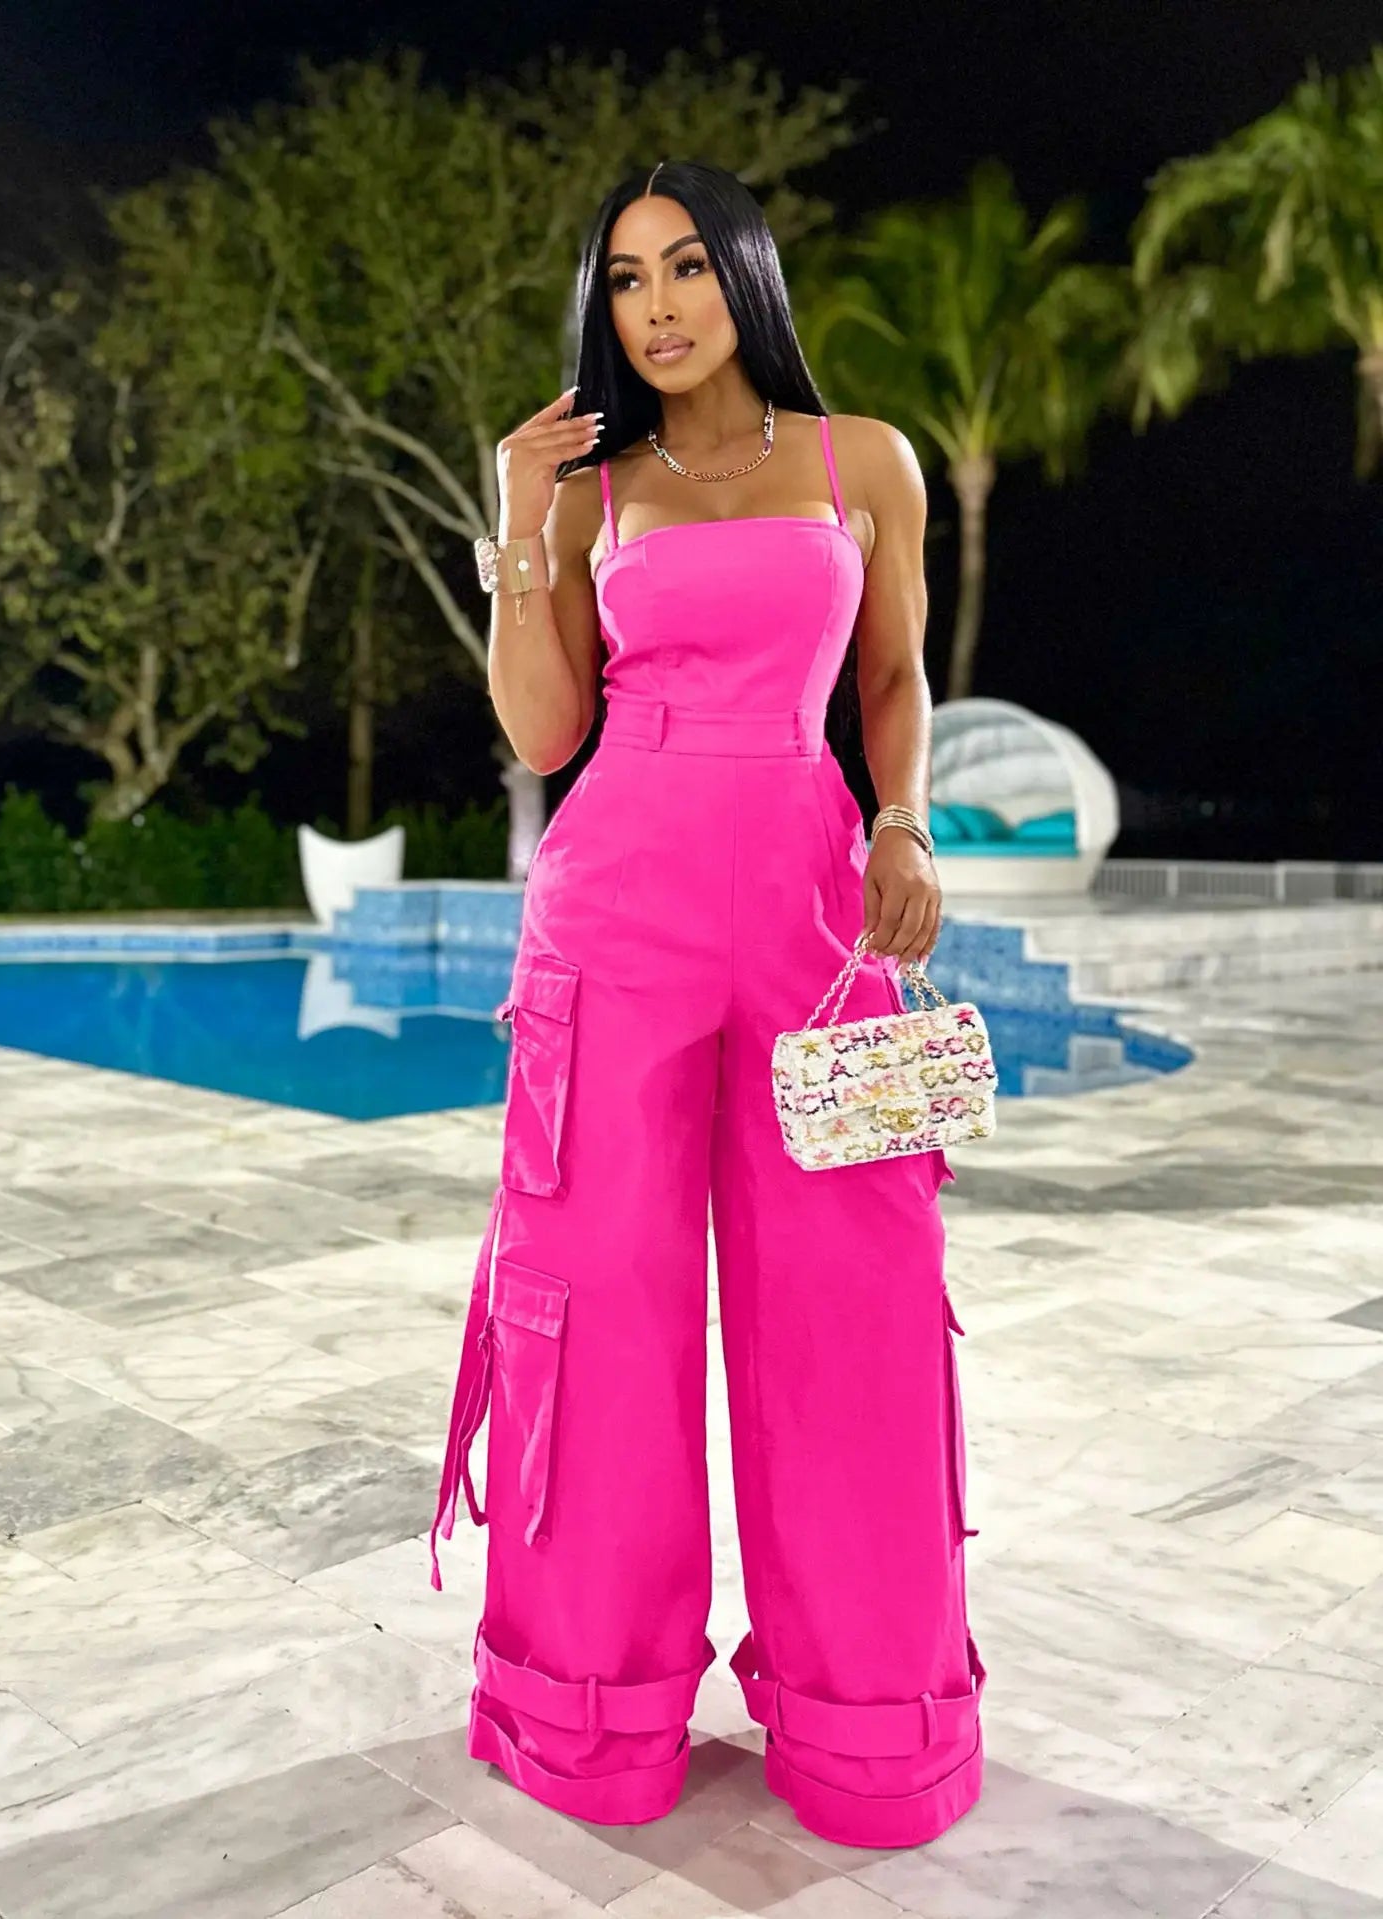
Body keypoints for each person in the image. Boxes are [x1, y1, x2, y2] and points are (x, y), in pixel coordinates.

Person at [429, 158, 985, 1850]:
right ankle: (587, 1712)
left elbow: (892, 677)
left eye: (685, 266)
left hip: (820, 918)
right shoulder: (593, 491)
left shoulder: (862, 459)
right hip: (616, 916)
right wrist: (520, 527)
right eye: (624, 279)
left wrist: (903, 822)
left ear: (745, 273)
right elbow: (545, 734)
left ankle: (873, 1731)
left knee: (855, 1318)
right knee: (601, 1318)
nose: (658, 305)